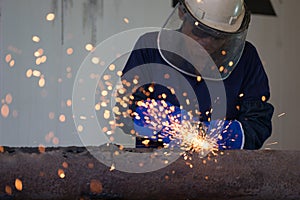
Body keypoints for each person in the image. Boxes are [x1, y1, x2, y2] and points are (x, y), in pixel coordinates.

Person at [115, 0, 274, 150]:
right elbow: (124, 111)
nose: (207, 43)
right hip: (156, 169)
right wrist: (167, 123)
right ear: (182, 13)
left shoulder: (246, 58)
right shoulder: (150, 48)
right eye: (199, 32)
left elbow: (258, 124)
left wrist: (214, 136)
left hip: (222, 172)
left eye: (218, 37)